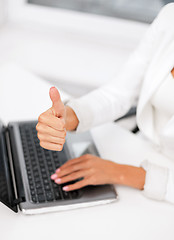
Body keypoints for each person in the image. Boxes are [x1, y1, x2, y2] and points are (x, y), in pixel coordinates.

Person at [36, 3, 174, 203]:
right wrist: (69, 116)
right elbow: (118, 92)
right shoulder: (170, 17)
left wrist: (122, 173)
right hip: (144, 150)